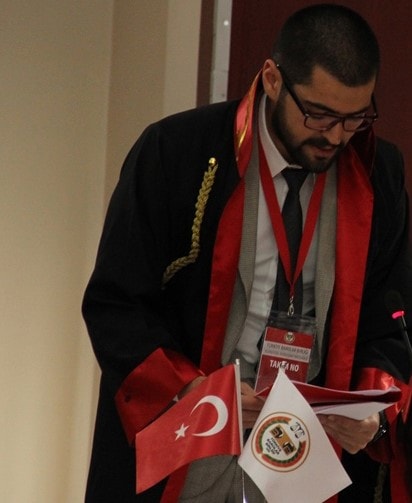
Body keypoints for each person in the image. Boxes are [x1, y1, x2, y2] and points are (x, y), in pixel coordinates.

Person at [82, 4, 412, 502]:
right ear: (273, 80)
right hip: (191, 440)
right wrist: (188, 389)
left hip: (305, 454)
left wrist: (372, 410)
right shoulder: (176, 151)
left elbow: (391, 314)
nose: (335, 136)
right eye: (319, 114)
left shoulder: (376, 170)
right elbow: (116, 302)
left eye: (355, 117)